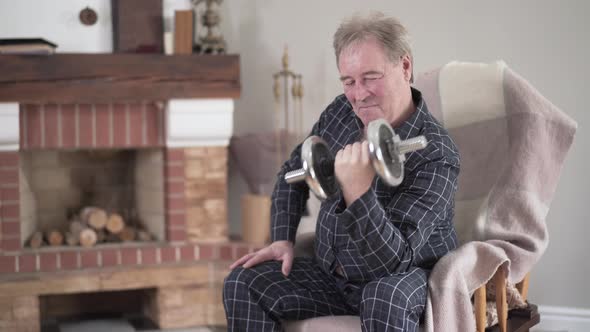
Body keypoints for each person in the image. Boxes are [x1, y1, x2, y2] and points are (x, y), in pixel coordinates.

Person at [224, 12, 460, 332]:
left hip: (402, 279)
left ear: (405, 67)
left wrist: (359, 192)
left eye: (371, 77)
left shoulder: (436, 153)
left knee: (383, 296)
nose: (359, 94)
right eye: (349, 81)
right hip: (332, 277)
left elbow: (394, 262)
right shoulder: (340, 112)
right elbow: (294, 171)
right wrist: (282, 238)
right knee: (243, 282)